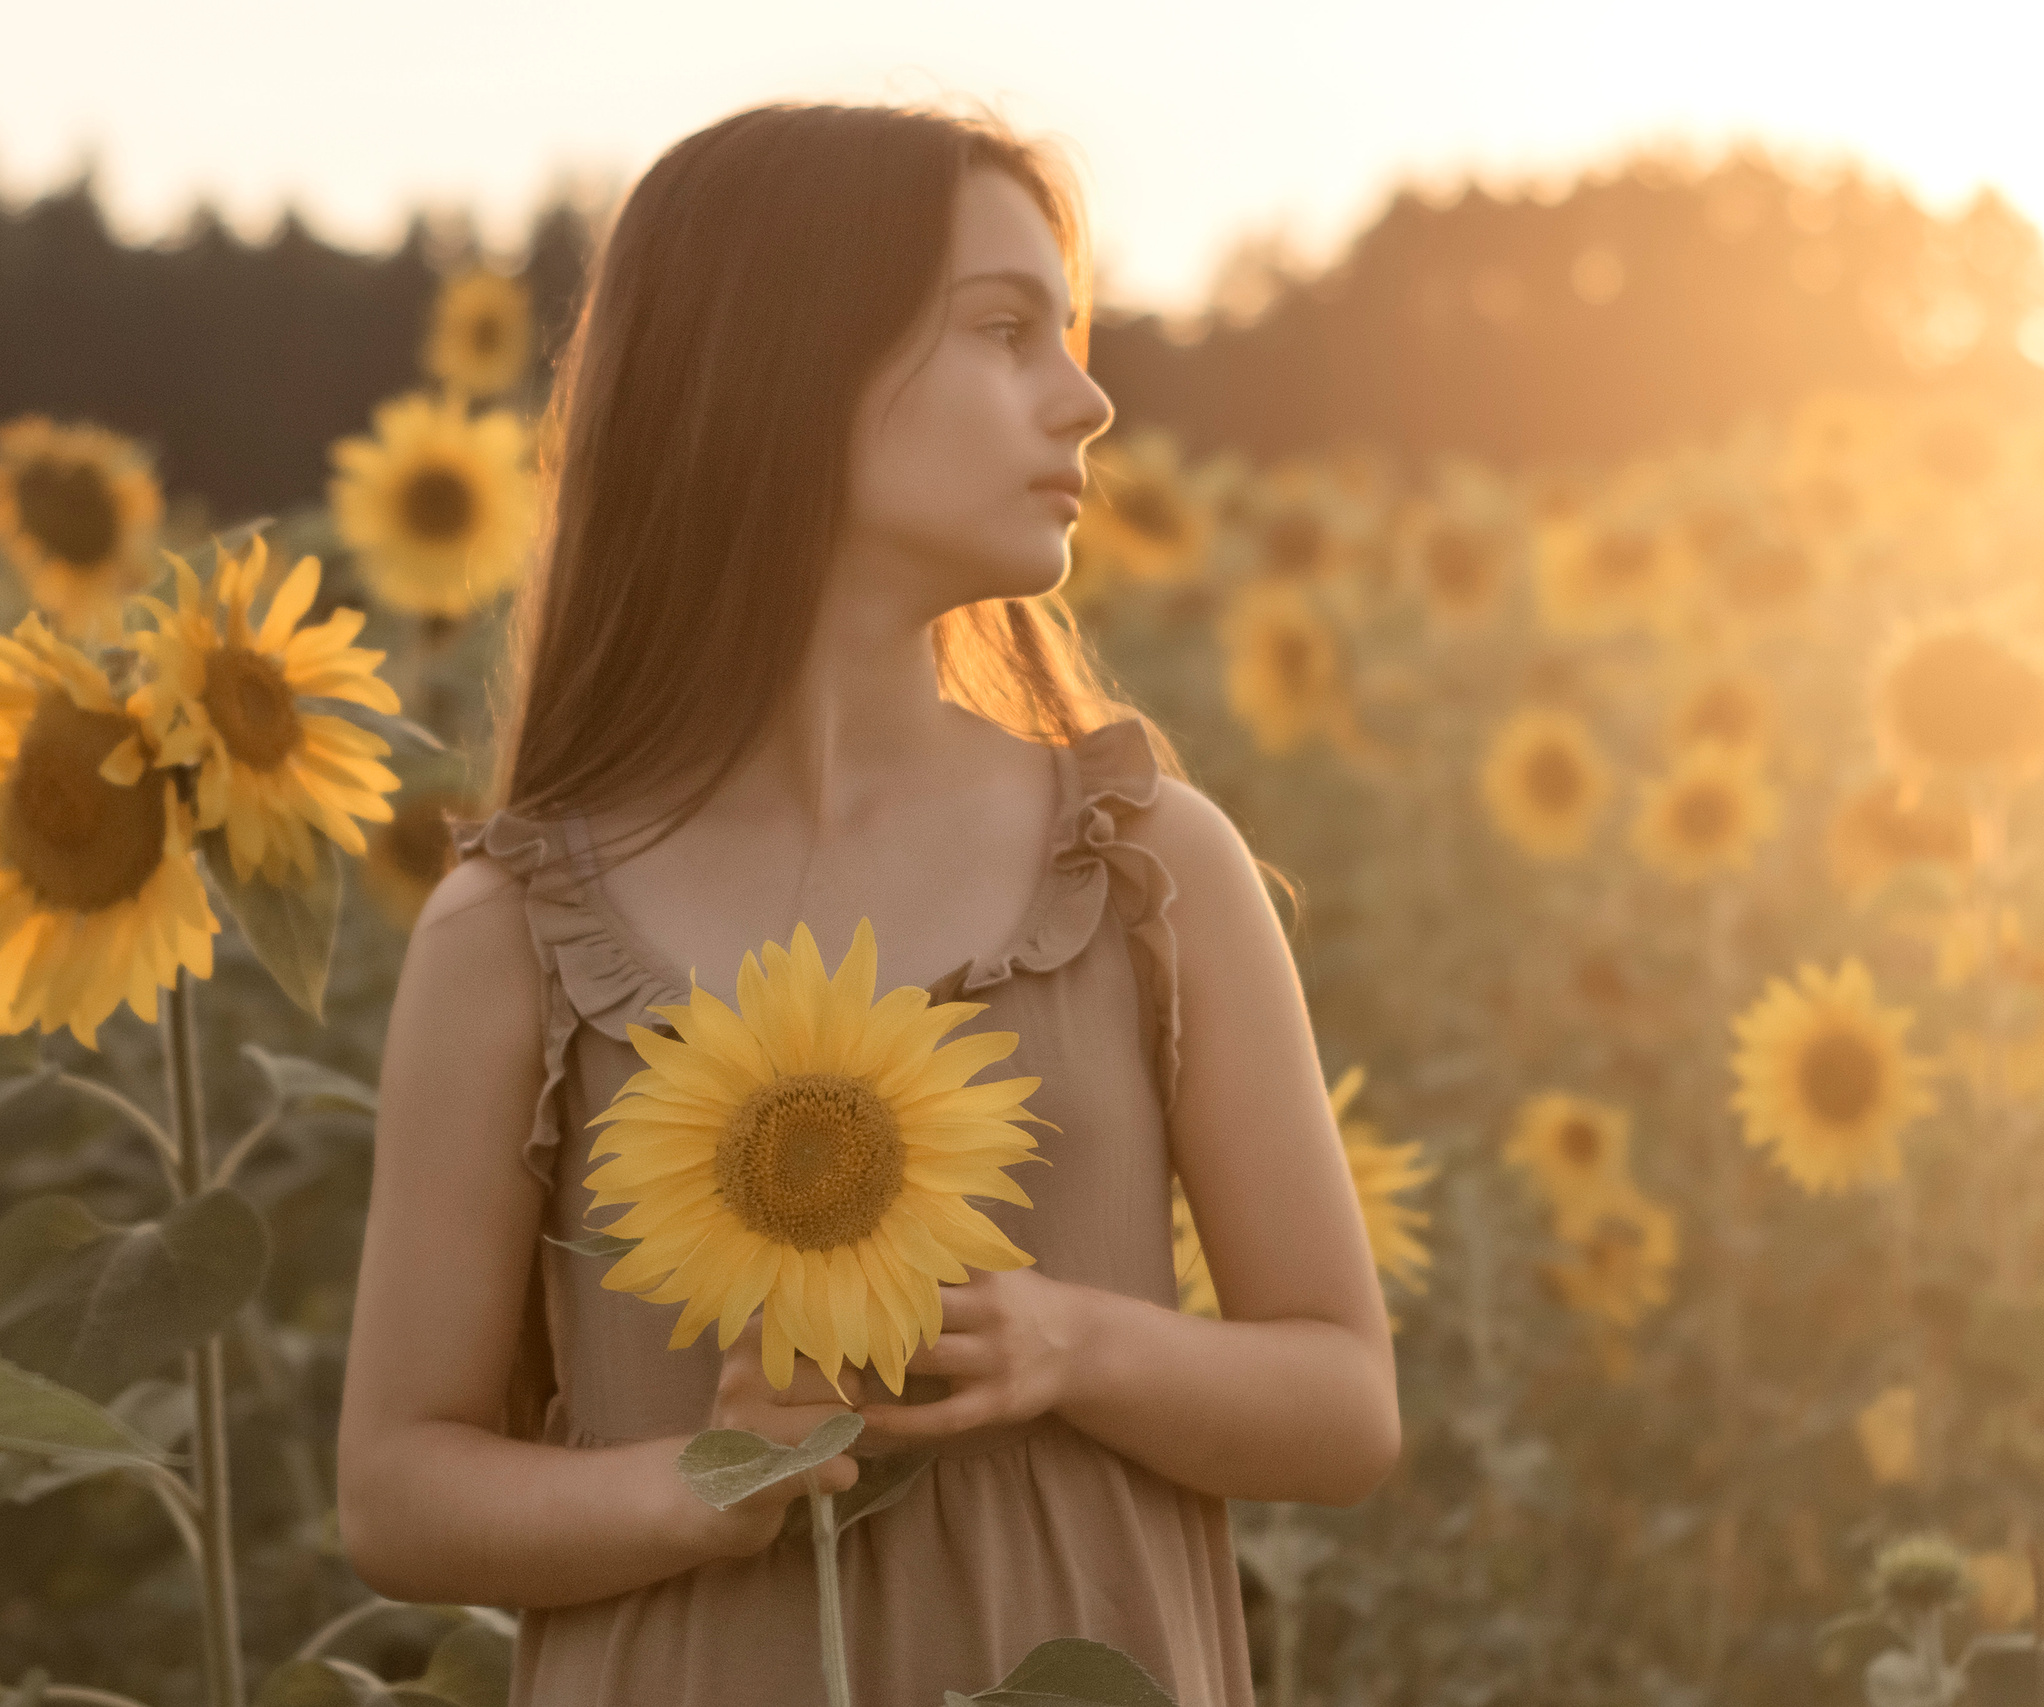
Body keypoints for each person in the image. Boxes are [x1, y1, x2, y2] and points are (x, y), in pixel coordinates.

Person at [335, 100, 1401, 1706]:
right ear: (782, 368)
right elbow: (400, 1491)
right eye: (1002, 329)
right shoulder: (518, 928)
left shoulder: (1146, 867)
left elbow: (1344, 1407)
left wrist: (1072, 1344)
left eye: (1071, 332)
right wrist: (704, 1484)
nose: (1089, 398)